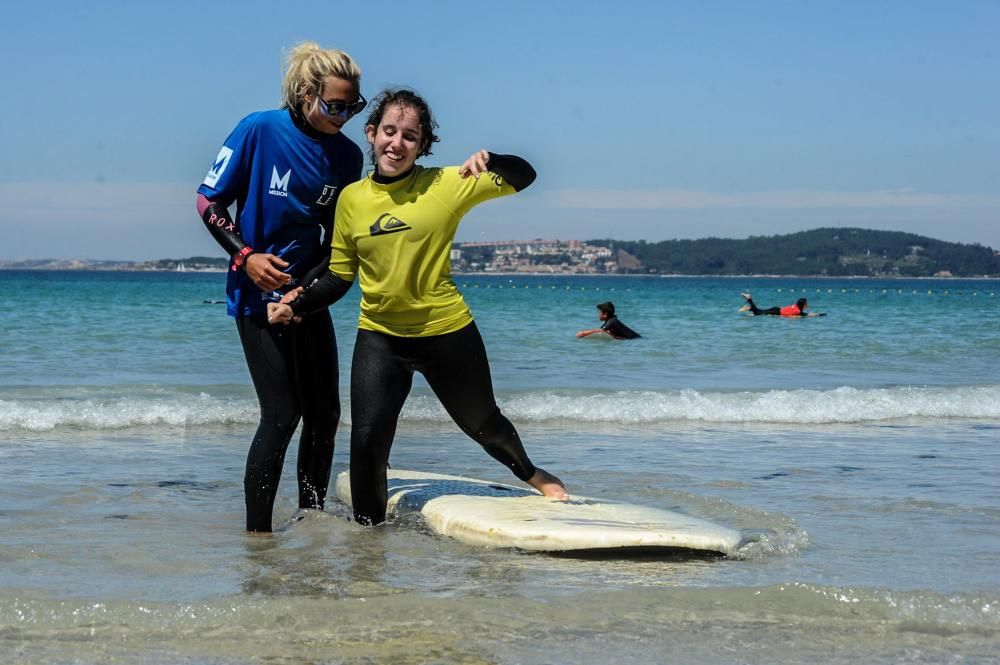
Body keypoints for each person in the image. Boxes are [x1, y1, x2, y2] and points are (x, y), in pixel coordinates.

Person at [268, 88, 568, 525]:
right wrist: (297, 305)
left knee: (482, 424)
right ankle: (370, 545)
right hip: (380, 338)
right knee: (368, 445)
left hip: (446, 332)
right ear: (371, 134)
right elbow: (338, 275)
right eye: (389, 131)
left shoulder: (447, 184)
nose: (397, 143)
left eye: (410, 136)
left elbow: (526, 175)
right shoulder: (351, 199)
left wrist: (494, 159)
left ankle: (532, 472)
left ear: (422, 146)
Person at [195, 42, 366, 533]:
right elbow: (209, 202)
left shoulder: (347, 156)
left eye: (353, 106)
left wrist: (301, 296)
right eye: (335, 105)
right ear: (306, 92)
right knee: (281, 414)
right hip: (254, 294)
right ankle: (259, 535)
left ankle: (310, 519)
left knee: (326, 413)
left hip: (307, 296)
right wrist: (245, 256)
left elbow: (335, 244)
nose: (344, 116)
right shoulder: (259, 129)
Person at [576, 301, 641, 339]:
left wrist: (584, 332)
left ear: (605, 314)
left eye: (599, 312)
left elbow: (600, 330)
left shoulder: (612, 321)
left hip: (635, 339)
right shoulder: (611, 321)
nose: (598, 314)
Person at [739, 292, 824, 317]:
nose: (807, 304)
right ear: (803, 304)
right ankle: (749, 299)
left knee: (758, 312)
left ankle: (749, 307)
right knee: (757, 313)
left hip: (776, 309)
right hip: (776, 312)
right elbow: (807, 314)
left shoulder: (796, 306)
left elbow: (806, 314)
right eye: (806, 303)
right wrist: (819, 314)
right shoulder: (798, 311)